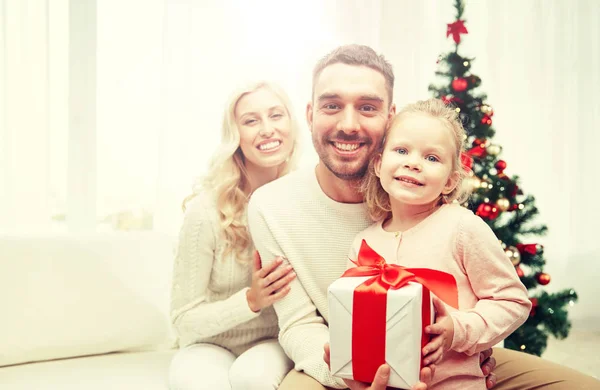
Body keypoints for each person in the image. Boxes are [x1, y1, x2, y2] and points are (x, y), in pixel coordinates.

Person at [247, 44, 600, 390]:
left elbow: (494, 297)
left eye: (368, 107)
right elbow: (299, 324)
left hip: (450, 361)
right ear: (310, 114)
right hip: (349, 366)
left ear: (390, 117)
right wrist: (352, 373)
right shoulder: (276, 208)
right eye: (332, 105)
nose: (349, 124)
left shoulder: (435, 203)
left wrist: (469, 343)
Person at [347, 98, 531, 389]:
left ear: (450, 181)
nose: (413, 162)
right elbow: (355, 319)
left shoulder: (462, 228)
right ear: (379, 164)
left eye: (432, 158)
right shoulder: (363, 243)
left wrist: (457, 329)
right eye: (402, 150)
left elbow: (513, 302)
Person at [168, 81, 300, 390]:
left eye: (276, 115)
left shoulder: (303, 201)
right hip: (209, 343)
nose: (267, 129)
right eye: (251, 121)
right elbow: (183, 318)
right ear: (235, 136)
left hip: (272, 341)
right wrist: (251, 301)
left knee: (252, 379)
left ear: (292, 125)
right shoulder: (206, 212)